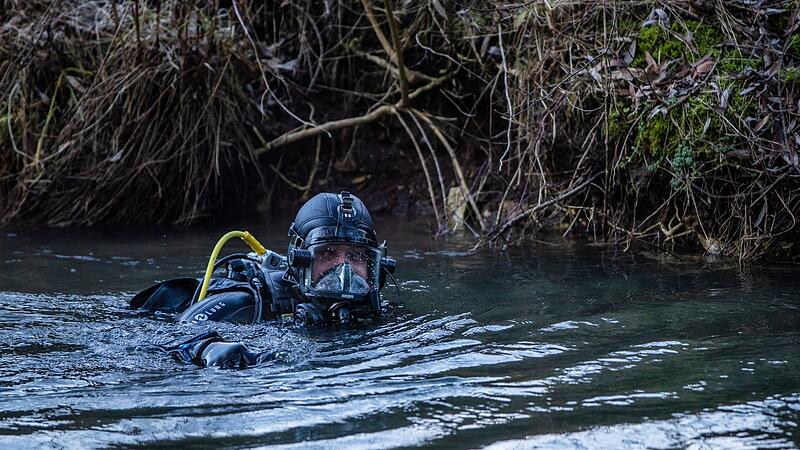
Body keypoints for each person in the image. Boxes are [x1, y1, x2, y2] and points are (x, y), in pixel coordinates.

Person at [131, 191, 397, 368]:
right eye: (328, 254)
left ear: (375, 266)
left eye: (356, 256)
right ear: (301, 259)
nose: (344, 270)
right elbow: (166, 338)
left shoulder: (376, 312)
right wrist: (207, 349)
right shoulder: (247, 302)